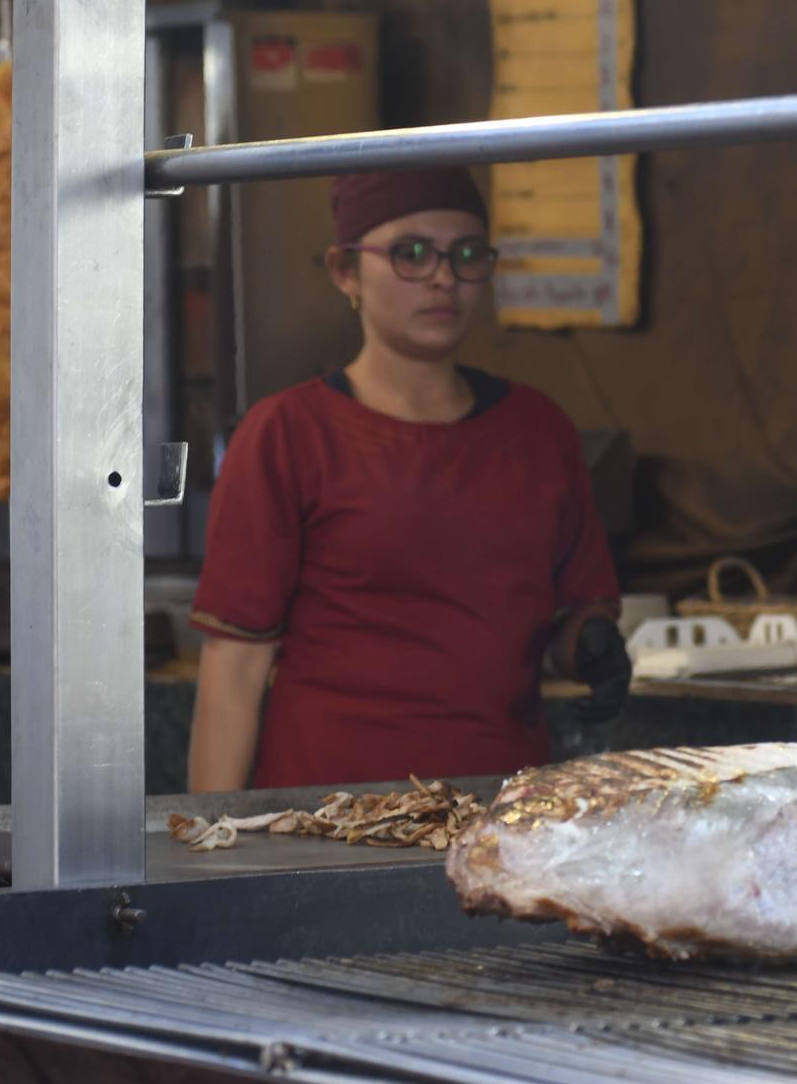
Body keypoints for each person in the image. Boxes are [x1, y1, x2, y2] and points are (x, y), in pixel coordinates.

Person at [186, 167, 631, 791]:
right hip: (325, 826)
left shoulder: (538, 430)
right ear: (346, 271)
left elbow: (566, 614)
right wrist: (210, 858)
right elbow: (233, 673)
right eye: (411, 254)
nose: (444, 277)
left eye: (467, 254)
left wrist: (591, 644)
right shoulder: (288, 433)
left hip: (497, 815)